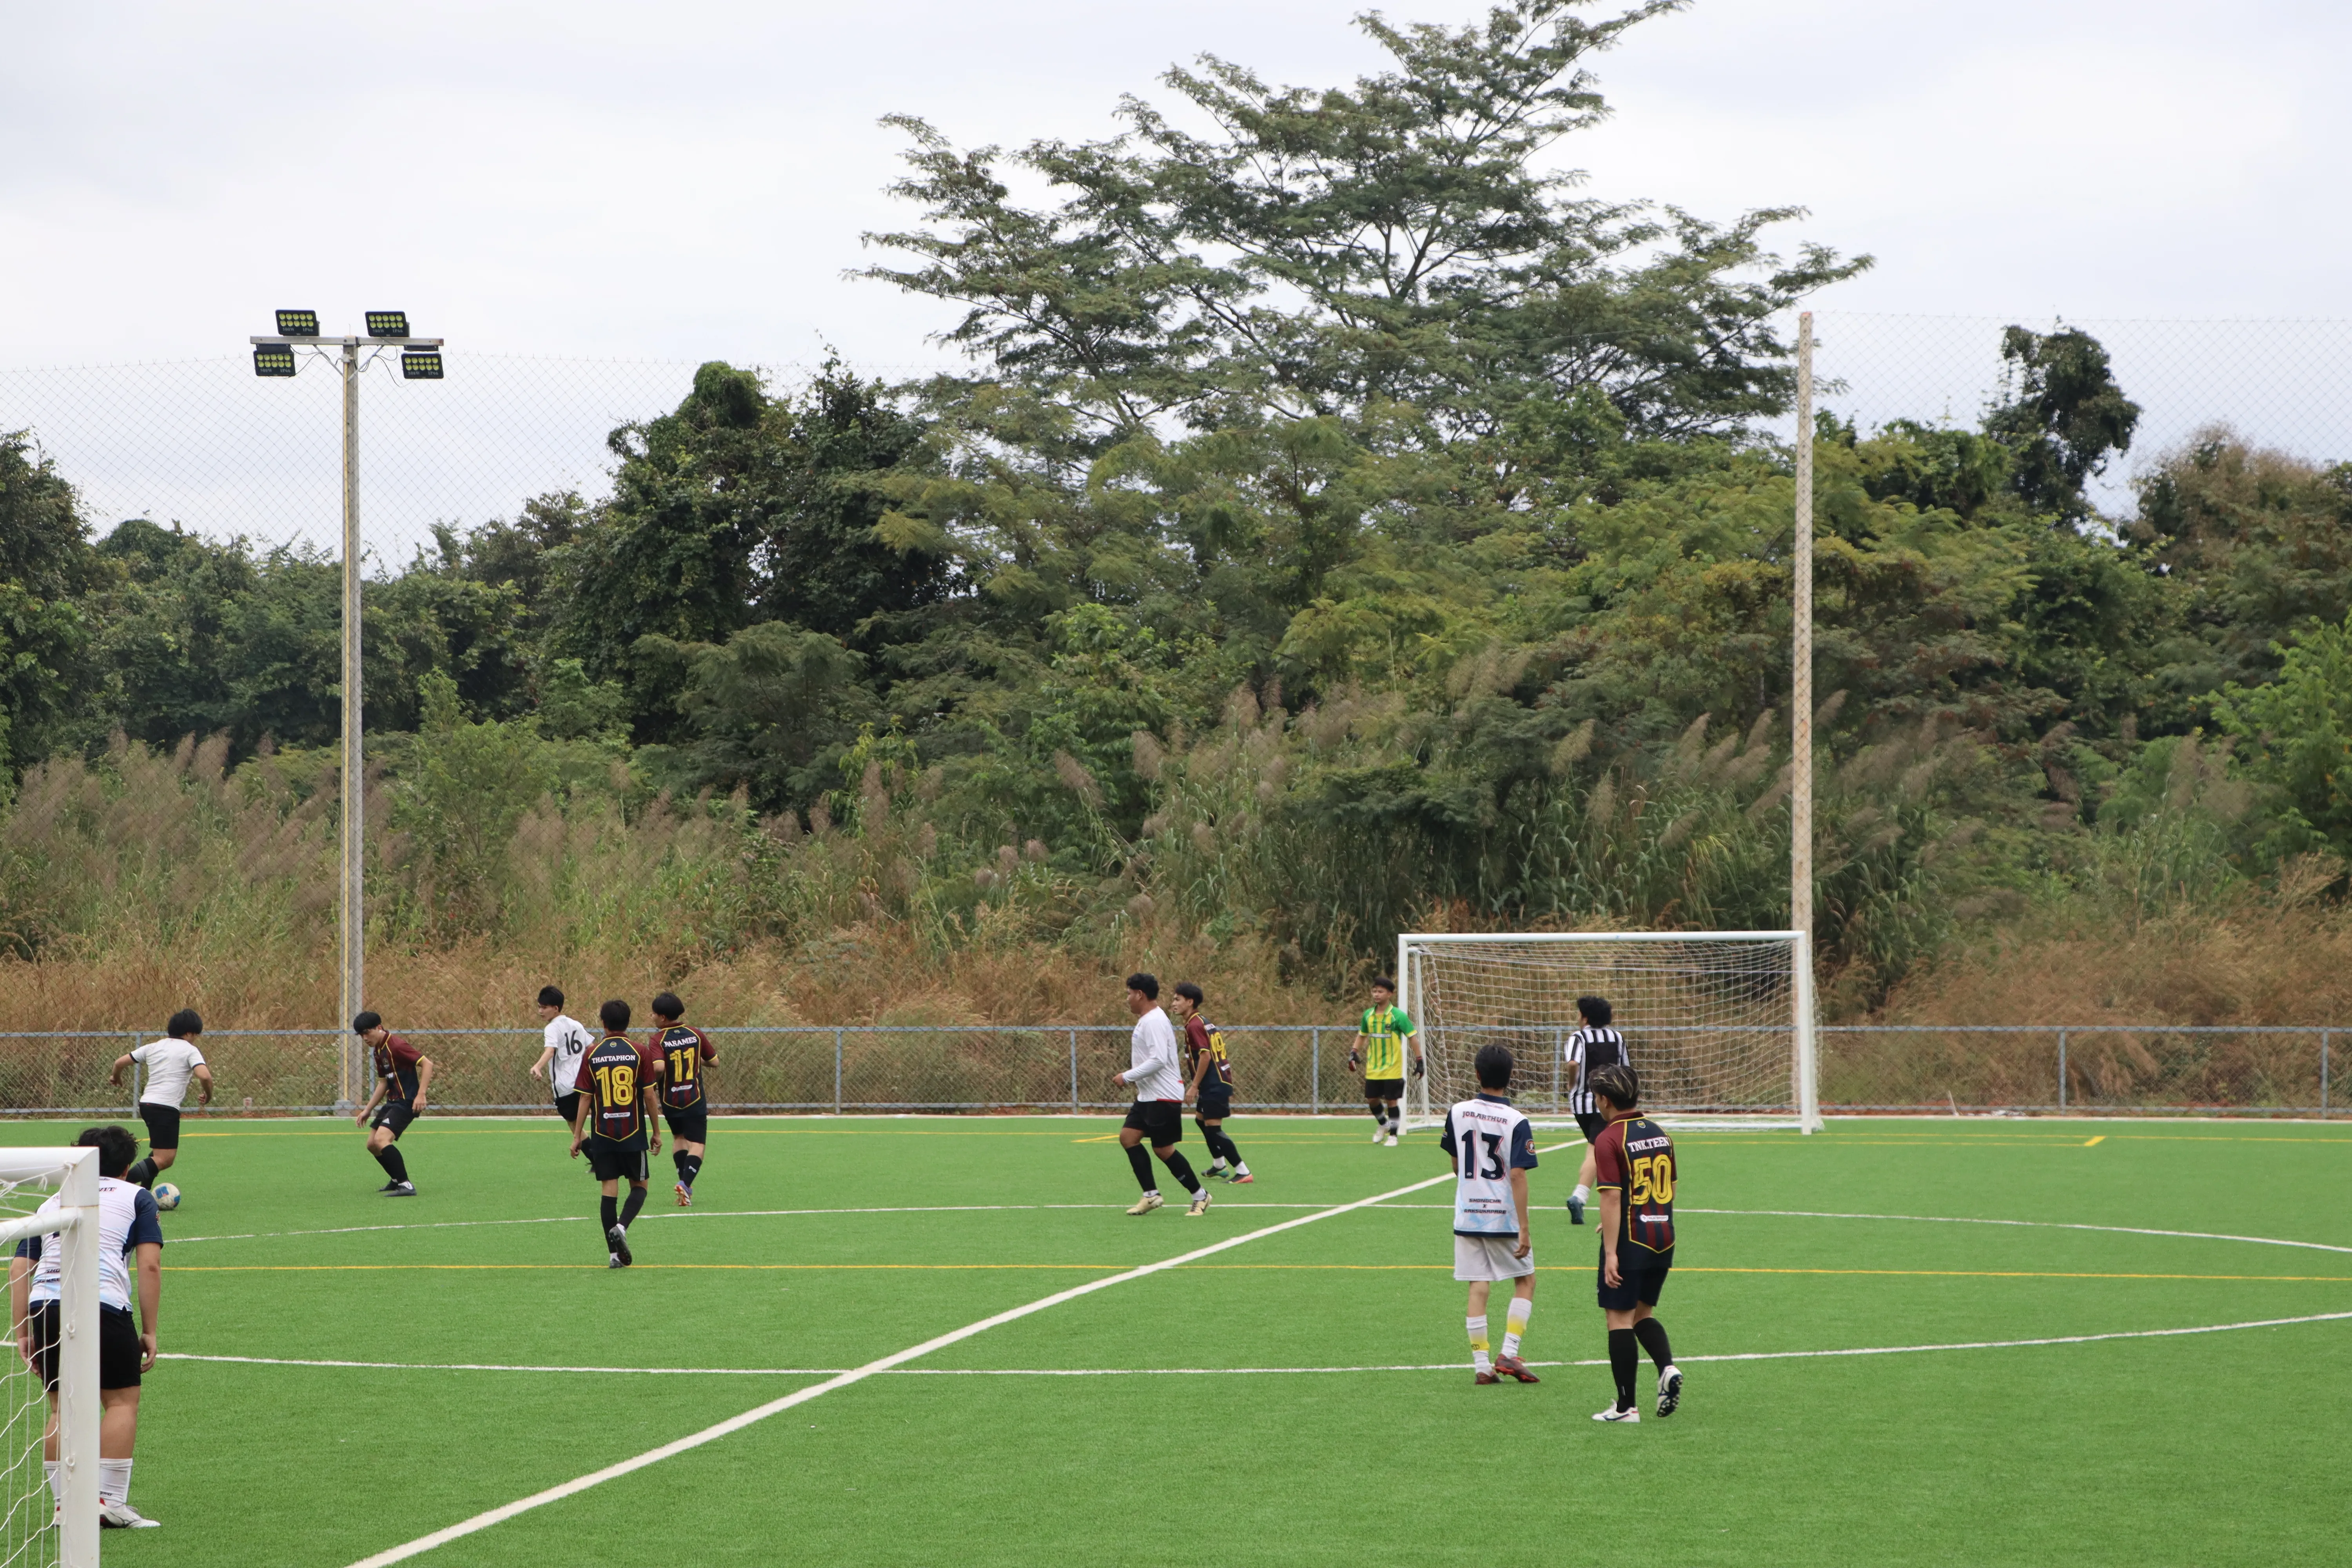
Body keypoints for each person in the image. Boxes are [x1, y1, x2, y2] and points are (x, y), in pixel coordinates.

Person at [10, 1125, 165, 1528]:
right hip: (101, 1303)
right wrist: (149, 1329)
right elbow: (149, 1264)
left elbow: (19, 1267)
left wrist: (23, 1331)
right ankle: (108, 1502)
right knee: (120, 1401)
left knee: (65, 1405)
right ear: (128, 1165)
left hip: (45, 1303)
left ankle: (66, 1506)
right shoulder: (138, 1196)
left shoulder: (51, 1202)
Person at [1586, 1062, 1683, 1423]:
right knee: (1643, 1314)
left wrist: (1612, 1251)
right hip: (1663, 1236)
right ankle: (1667, 1368)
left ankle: (1626, 1407)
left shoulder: (1609, 1139)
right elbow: (1669, 1188)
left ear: (1605, 1100)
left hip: (1632, 1240)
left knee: (1619, 1319)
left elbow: (1611, 1198)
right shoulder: (1660, 1133)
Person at [1438, 1044, 1541, 1386]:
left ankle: (1482, 1366)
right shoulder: (1517, 1120)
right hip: (1503, 1218)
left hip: (1467, 1215)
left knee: (1477, 1286)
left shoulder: (1457, 1112)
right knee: (1525, 1280)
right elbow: (1517, 1175)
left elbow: (1456, 1163)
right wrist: (1524, 1228)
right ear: (1511, 1079)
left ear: (1477, 1074)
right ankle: (1509, 1351)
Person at [572, 998, 661, 1267]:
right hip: (633, 1132)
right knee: (641, 1187)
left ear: (603, 1023)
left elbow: (585, 1099)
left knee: (609, 1191)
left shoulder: (592, 1053)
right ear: (628, 1022)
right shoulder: (640, 1051)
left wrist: (577, 1136)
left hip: (603, 1133)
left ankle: (614, 1256)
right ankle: (621, 1228)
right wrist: (657, 1132)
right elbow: (649, 1096)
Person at [1112, 973, 1210, 1217]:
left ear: (1140, 995)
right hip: (1148, 1096)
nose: (1128, 999)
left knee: (1163, 1149)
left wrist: (1128, 1076)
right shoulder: (1148, 1019)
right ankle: (1151, 1195)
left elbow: (1158, 1060)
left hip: (1163, 1096)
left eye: (1129, 994)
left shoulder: (1154, 1021)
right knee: (1128, 1138)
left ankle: (1201, 1196)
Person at [108, 1009, 213, 1189]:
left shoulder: (153, 1047)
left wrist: (116, 1077)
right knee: (165, 1159)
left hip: (147, 1104)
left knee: (159, 1151)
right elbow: (205, 1076)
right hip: (165, 1108)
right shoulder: (190, 1050)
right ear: (189, 1033)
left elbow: (119, 1063)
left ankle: (145, 1189)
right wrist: (208, 1096)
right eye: (196, 1035)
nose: (195, 1038)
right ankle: (116, 1185)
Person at [1171, 982, 1250, 1184]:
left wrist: (1194, 1086)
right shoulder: (1201, 1021)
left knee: (1214, 1128)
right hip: (1213, 1082)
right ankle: (1219, 1165)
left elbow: (1205, 1056)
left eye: (1178, 999)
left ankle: (1243, 1171)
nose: (1174, 1003)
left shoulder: (1195, 1025)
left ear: (1190, 1002)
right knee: (1200, 1121)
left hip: (1214, 1083)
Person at [645, 991, 717, 1207]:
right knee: (698, 1144)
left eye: (654, 1014)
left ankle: (684, 1184)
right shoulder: (695, 1034)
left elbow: (658, 1066)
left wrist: (655, 1079)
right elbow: (714, 1062)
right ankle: (685, 1183)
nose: (652, 1017)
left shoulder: (658, 1039)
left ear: (663, 1018)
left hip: (671, 1099)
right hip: (694, 1098)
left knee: (679, 1138)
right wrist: (696, 1061)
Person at [350, 1011, 432, 1196]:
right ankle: (396, 1180)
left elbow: (427, 1064)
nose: (365, 1038)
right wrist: (367, 1110)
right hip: (393, 1101)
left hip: (407, 1102)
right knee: (372, 1144)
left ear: (379, 1028)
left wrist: (421, 1095)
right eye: (361, 1035)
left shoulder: (397, 1045)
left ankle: (406, 1186)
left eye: (367, 1033)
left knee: (382, 1140)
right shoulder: (379, 1050)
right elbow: (383, 1083)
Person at [1564, 995, 1629, 1225]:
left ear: (1586, 1016)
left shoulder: (1579, 1037)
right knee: (1598, 1150)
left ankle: (1585, 1197)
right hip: (1606, 1103)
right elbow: (1626, 1070)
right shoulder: (1616, 1037)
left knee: (1598, 1149)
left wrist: (1572, 1085)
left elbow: (1573, 1063)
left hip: (1581, 1104)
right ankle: (1580, 1196)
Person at [1348, 976, 1422, 1146]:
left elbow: (1413, 1038)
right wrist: (1354, 1051)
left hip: (1392, 1067)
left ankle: (1393, 1136)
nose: (1376, 994)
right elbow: (1362, 1035)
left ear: (1390, 994)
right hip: (1373, 1067)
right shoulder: (1369, 1015)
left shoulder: (1398, 1016)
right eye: (1374, 991)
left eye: (1381, 991)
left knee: (1392, 1101)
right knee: (1372, 1100)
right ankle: (1384, 1124)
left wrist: (1419, 1060)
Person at [529, 986, 593, 1137]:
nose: (540, 1012)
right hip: (584, 1082)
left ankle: (596, 1158)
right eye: (539, 1007)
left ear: (556, 1008)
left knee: (573, 1125)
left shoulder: (552, 1028)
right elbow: (591, 1048)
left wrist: (538, 1066)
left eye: (544, 1008)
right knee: (593, 1118)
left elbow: (550, 1050)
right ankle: (602, 1155)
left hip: (566, 1086)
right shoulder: (576, 1025)